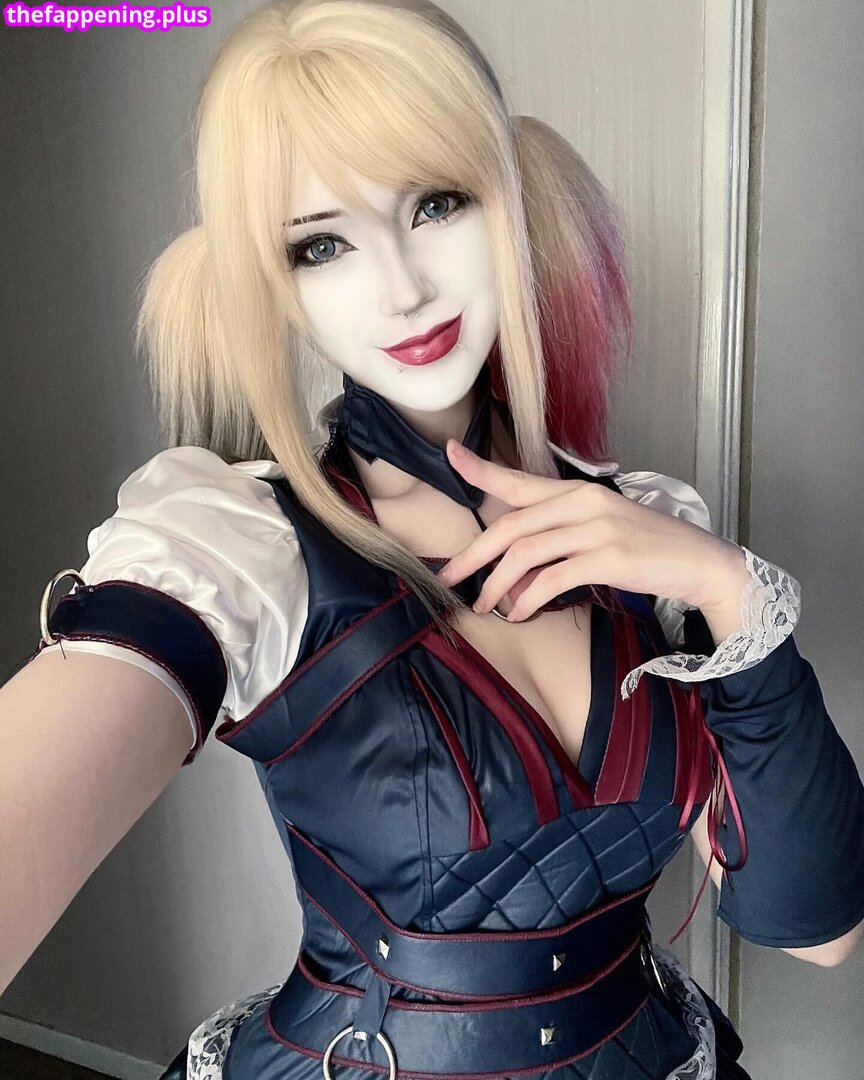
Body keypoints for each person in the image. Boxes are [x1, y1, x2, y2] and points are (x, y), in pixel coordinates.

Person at [2, 1, 864, 1078]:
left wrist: (730, 588)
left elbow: (816, 929)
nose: (403, 288)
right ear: (277, 287)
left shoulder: (645, 532)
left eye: (436, 203)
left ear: (510, 201)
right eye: (322, 244)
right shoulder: (246, 554)